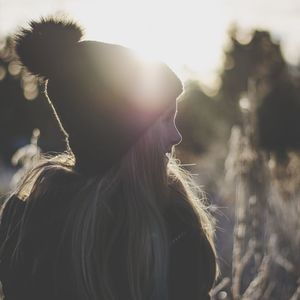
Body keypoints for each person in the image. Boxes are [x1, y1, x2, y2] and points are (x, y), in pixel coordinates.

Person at [0, 17, 217, 300]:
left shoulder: (176, 216)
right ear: (118, 133)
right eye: (164, 120)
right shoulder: (33, 235)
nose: (176, 135)